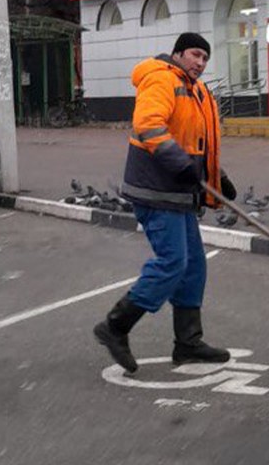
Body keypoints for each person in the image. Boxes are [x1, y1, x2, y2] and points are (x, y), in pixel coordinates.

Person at [94, 32, 237, 373]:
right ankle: (115, 327)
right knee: (173, 262)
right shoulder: (160, 79)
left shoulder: (197, 90)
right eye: (194, 55)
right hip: (155, 190)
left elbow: (197, 142)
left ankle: (188, 343)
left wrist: (218, 177)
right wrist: (180, 164)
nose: (200, 63)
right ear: (177, 54)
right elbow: (148, 125)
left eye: (205, 58)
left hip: (180, 192)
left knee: (194, 266)